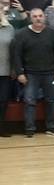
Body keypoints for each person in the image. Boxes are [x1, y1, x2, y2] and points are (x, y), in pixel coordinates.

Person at [13, 7, 54, 138]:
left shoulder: (52, 34)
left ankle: (52, 128)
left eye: (40, 16)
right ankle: (29, 129)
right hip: (30, 74)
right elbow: (16, 55)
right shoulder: (21, 34)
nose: (38, 18)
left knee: (51, 101)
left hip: (50, 74)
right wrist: (19, 73)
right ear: (31, 18)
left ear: (44, 17)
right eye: (35, 16)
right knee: (30, 101)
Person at [0, 9, 14, 137]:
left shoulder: (9, 28)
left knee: (3, 100)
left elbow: (14, 50)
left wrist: (14, 69)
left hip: (5, 71)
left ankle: (1, 127)